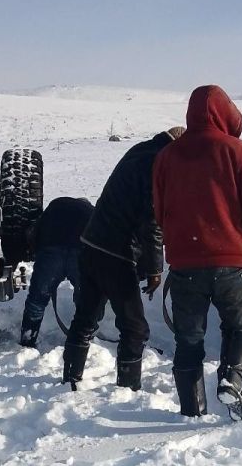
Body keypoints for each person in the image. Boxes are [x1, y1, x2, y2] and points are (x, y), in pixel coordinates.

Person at [153, 86, 242, 420]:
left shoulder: (167, 157)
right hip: (231, 260)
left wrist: (179, 240)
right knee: (238, 328)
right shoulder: (238, 151)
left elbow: (159, 210)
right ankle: (232, 380)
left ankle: (193, 412)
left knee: (188, 340)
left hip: (185, 264)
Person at [62, 126, 185, 391]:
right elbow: (151, 222)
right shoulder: (158, 163)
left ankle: (70, 379)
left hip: (91, 243)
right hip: (116, 252)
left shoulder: (139, 151)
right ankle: (127, 390)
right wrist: (154, 269)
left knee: (86, 317)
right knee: (135, 327)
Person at [19, 196, 94, 348]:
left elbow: (33, 233)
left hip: (50, 252)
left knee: (37, 300)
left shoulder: (55, 205)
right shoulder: (90, 211)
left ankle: (28, 339)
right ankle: (83, 339)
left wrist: (38, 254)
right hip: (81, 252)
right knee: (87, 299)